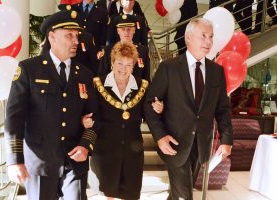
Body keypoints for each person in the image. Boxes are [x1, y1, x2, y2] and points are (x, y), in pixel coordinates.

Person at [5, 9, 100, 200]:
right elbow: (14, 117)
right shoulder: (29, 69)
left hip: (75, 162)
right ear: (52, 37)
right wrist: (14, 160)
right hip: (40, 162)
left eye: (76, 35)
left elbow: (94, 115)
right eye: (69, 35)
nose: (75, 41)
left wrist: (85, 145)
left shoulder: (85, 74)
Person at [144, 18, 233, 200]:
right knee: (185, 196)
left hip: (201, 144)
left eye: (211, 37)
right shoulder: (169, 68)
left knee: (180, 192)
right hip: (174, 143)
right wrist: (159, 137)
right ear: (188, 38)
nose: (208, 42)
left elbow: (222, 109)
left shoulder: (216, 72)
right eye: (203, 36)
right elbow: (149, 104)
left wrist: (226, 139)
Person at [90, 42, 162, 200]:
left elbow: (149, 115)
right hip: (104, 151)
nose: (124, 68)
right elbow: (92, 115)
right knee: (108, 194)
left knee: (130, 194)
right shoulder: (97, 84)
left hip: (132, 152)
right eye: (120, 63)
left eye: (129, 64)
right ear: (112, 63)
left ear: (134, 65)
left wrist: (157, 108)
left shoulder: (142, 87)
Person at [99, 14, 150, 81]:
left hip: (137, 90)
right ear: (118, 31)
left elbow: (146, 78)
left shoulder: (143, 51)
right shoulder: (108, 50)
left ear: (134, 30)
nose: (126, 32)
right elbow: (102, 77)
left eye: (129, 29)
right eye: (123, 29)